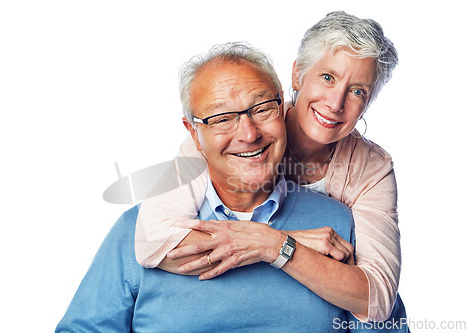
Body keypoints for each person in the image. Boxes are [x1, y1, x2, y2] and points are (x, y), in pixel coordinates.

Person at [56, 42, 408, 332]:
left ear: (282, 105)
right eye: (222, 118)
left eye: (261, 109)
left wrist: (275, 245)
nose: (249, 134)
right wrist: (274, 242)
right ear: (194, 133)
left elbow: (379, 312)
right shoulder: (140, 228)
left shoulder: (340, 225)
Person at [135, 11, 400, 322]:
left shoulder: (371, 168)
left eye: (358, 91)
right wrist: (280, 241)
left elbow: (377, 299)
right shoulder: (227, 136)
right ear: (297, 75)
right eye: (328, 77)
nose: (336, 103)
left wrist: (274, 244)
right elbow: (152, 242)